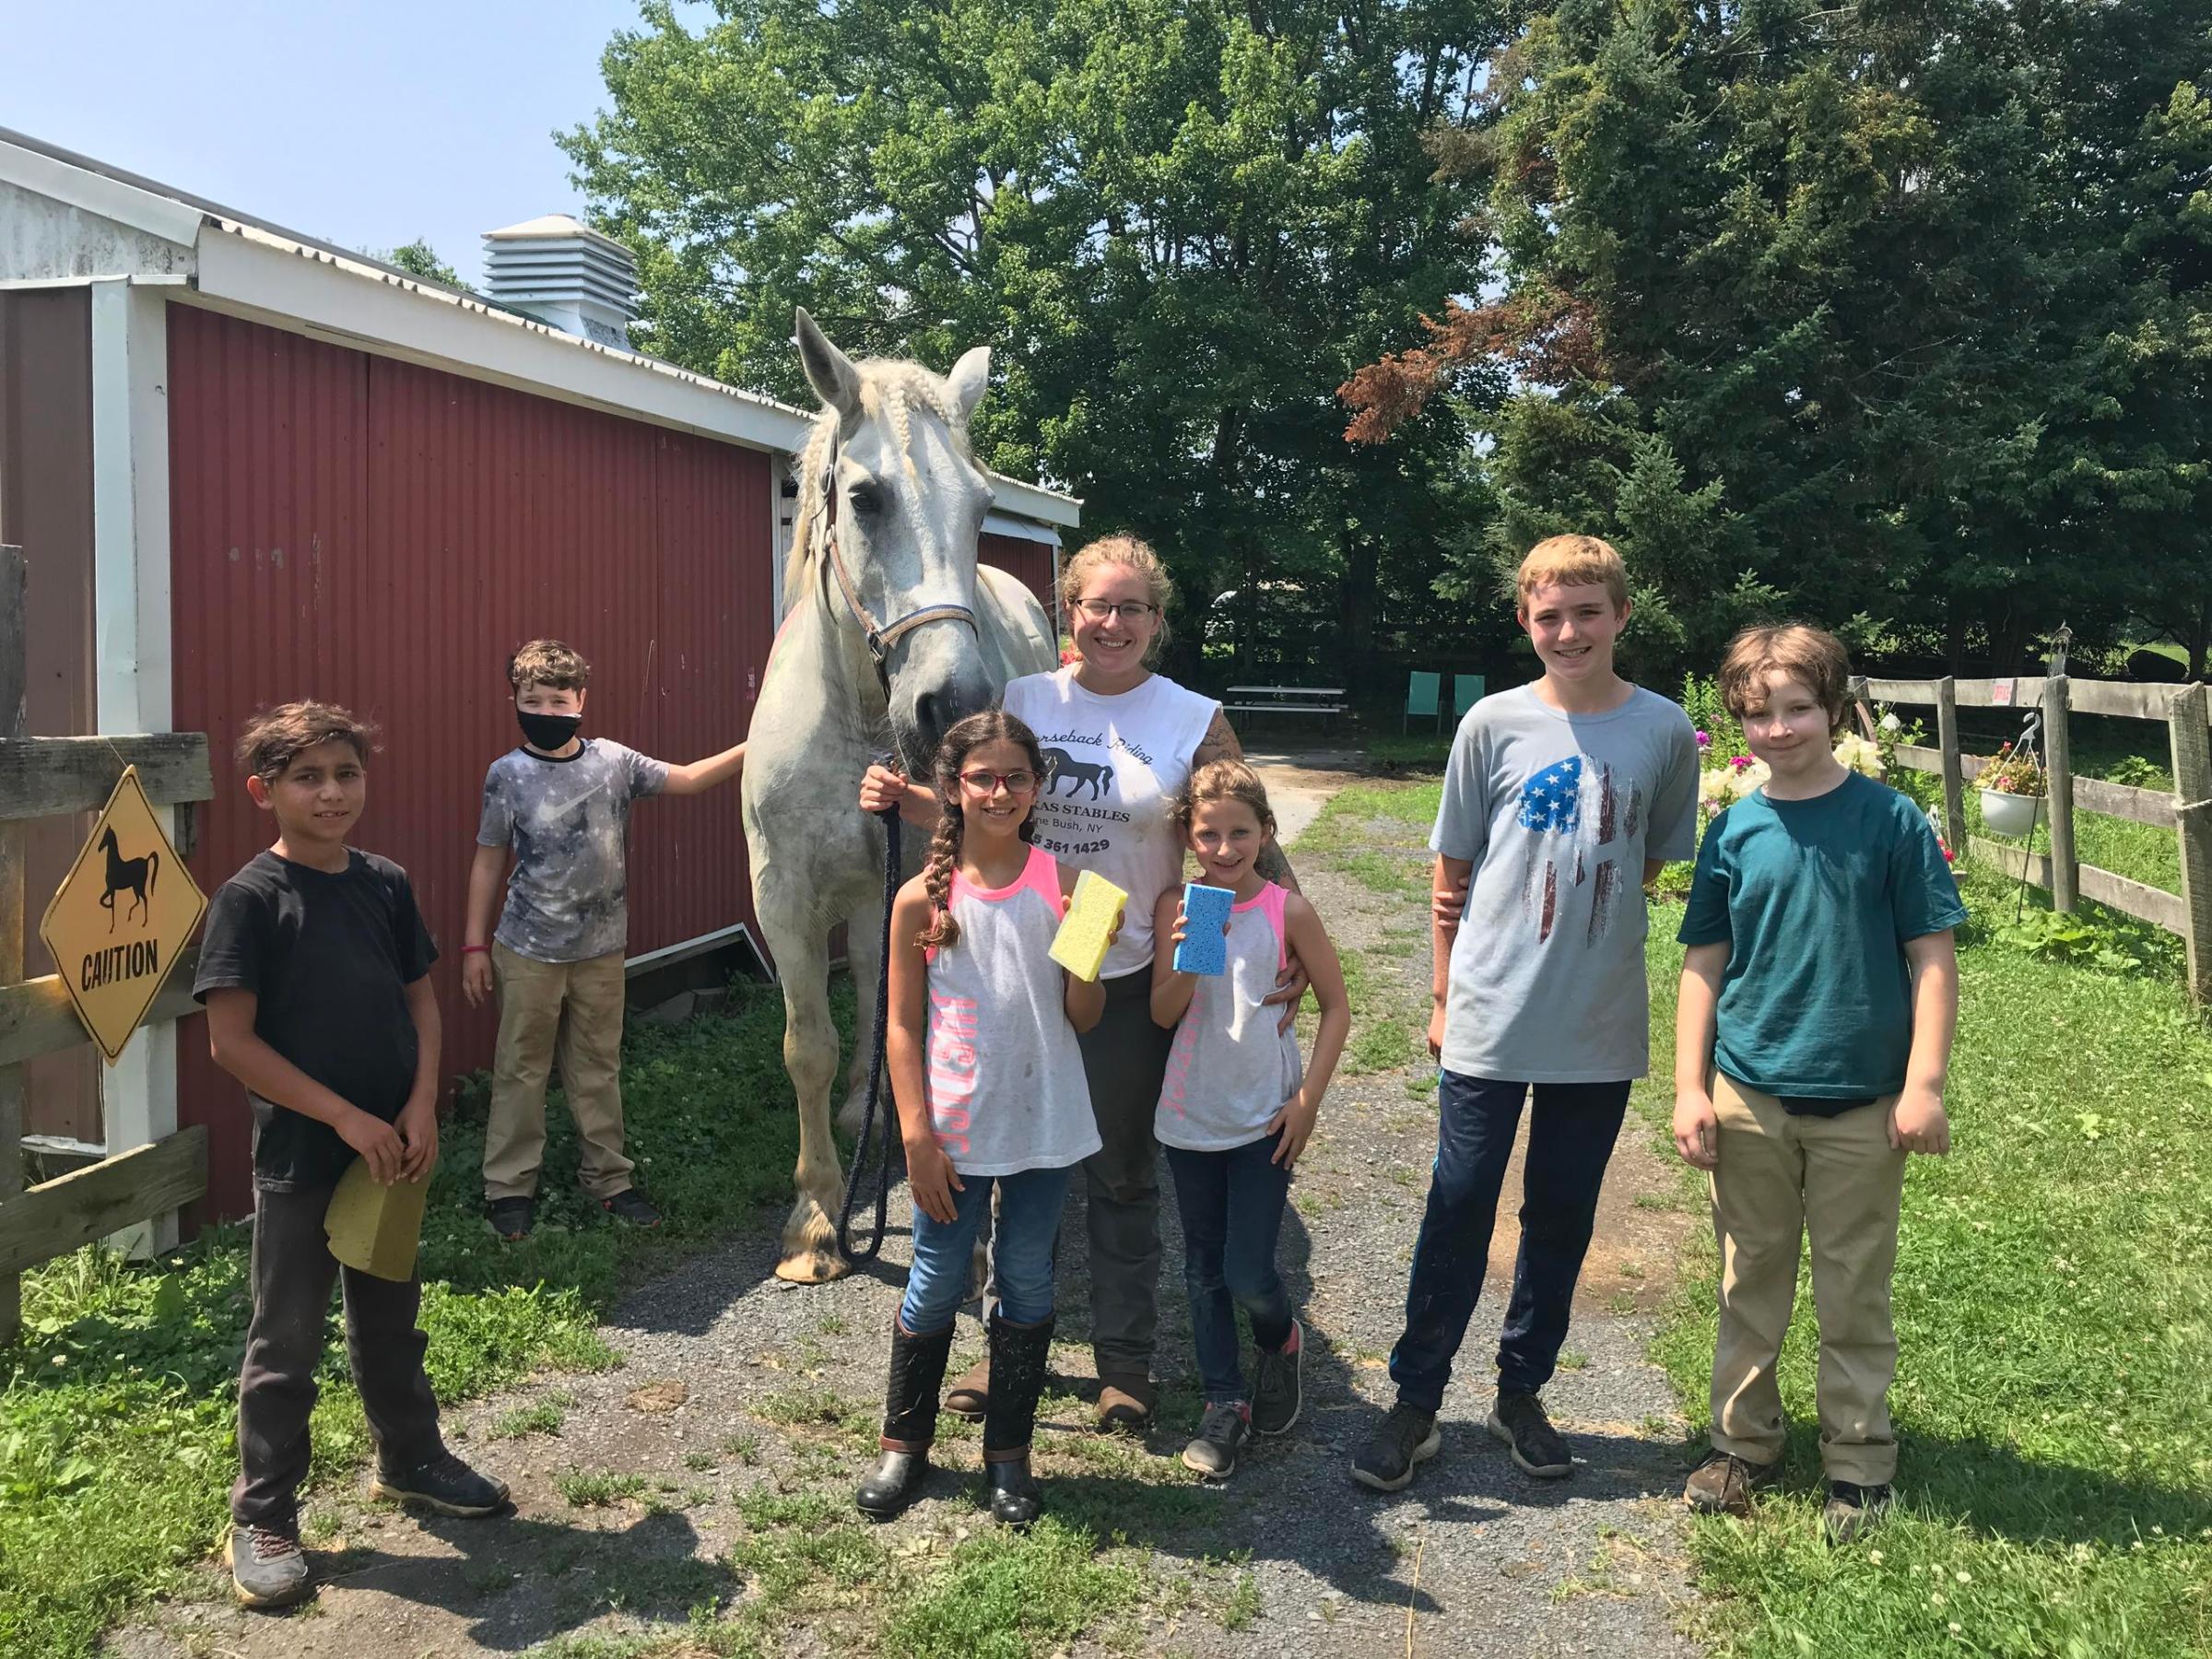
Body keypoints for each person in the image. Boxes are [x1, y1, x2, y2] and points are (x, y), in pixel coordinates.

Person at [861, 535, 1304, 1433]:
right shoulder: (1026, 699)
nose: (1114, 622)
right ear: (1070, 614)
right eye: (1098, 606)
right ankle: (1002, 1346)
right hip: (1014, 969)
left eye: (1133, 607)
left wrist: (1290, 927)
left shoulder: (1190, 716)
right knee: (1004, 1159)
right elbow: (986, 801)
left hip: (1132, 968)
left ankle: (1124, 1363)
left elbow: (1246, 823)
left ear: (1157, 621)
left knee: (1122, 1175)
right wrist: (906, 802)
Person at [1353, 534, 1699, 1493]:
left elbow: (1651, 858)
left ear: (1622, 615)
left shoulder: (1665, 731)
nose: (1569, 630)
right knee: (1459, 1203)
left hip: (1597, 1023)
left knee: (1560, 1214)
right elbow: (1452, 869)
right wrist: (1440, 990)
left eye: (1588, 611)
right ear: (1525, 620)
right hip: (1489, 1014)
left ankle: (1521, 1393)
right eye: (1549, 614)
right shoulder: (1492, 726)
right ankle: (1416, 1401)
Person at [196, 702, 508, 1609]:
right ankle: (263, 1514)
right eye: (308, 778)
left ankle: (409, 1458)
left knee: (389, 1317)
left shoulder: (384, 884)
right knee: (285, 1337)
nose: (332, 794)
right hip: (305, 1154)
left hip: (390, 1149)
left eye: (346, 774)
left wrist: (419, 1106)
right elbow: (232, 1044)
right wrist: (343, 1118)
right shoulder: (251, 901)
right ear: (265, 793)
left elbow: (422, 1003)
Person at [1671, 624, 1962, 1542]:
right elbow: (1703, 966)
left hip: (1867, 1106)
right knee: (1748, 1278)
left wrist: (1925, 1084)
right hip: (1748, 1094)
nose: (1780, 729)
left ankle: (1860, 1460)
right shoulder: (1734, 829)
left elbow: (1934, 958)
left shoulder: (1891, 823)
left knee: (1853, 1287)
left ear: (1836, 711)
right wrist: (1690, 1087)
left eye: (1799, 709)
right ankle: (1742, 1445)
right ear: (1738, 722)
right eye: (1759, 714)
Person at [853, 711, 1106, 1526]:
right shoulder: (917, 900)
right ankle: (904, 1448)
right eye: (982, 778)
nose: (1000, 792)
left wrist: (1085, 951)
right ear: (952, 789)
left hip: (1045, 1120)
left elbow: (1087, 1016)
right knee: (933, 1281)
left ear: (1039, 789)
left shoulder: (1073, 888)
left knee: (1027, 1278)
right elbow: (901, 1025)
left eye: (1016, 778)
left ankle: (1009, 1457)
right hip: (954, 1129)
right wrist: (916, 1136)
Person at [463, 639, 746, 1240]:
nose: (544, 708)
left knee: (597, 1067)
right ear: (514, 700)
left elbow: (691, 779)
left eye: (557, 699)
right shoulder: (506, 775)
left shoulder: (615, 762)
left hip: (601, 952)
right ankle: (509, 1188)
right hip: (528, 951)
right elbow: (488, 860)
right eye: (531, 698)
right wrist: (473, 946)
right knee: (521, 1069)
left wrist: (760, 742)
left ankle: (608, 1180)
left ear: (581, 701)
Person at [1150, 760, 1350, 1479]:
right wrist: (1189, 951)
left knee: (1248, 1272)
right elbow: (1164, 1012)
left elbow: (1337, 1007)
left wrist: (1307, 1102)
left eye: (1241, 833)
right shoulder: (1181, 903)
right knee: (1202, 1267)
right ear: (1189, 836)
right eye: (1209, 835)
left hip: (1266, 1117)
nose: (1225, 848)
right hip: (1189, 1114)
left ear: (1266, 832)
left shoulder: (1286, 910)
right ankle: (1224, 1401)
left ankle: (1282, 1337)